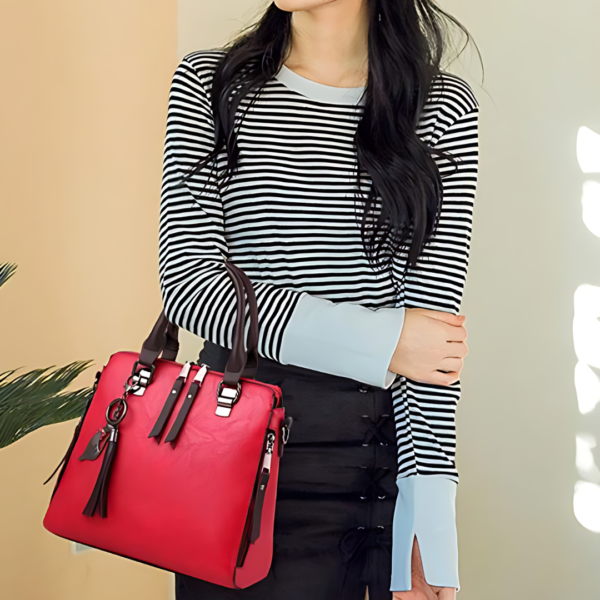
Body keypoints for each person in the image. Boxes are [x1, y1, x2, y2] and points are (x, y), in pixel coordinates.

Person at [158, 1, 480, 599]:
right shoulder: (212, 84)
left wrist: (428, 527)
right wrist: (386, 340)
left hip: (378, 468)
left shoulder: (437, 107)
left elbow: (430, 353)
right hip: (234, 461)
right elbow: (189, 287)